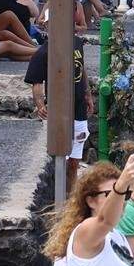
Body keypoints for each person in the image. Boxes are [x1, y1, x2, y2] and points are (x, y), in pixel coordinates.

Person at [26, 32, 91, 181]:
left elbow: (81, 68)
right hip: (59, 109)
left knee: (75, 160)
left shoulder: (76, 42)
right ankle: (62, 195)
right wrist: (40, 104)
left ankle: (72, 197)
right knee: (62, 158)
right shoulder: (43, 52)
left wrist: (87, 93)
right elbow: (36, 82)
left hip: (79, 106)